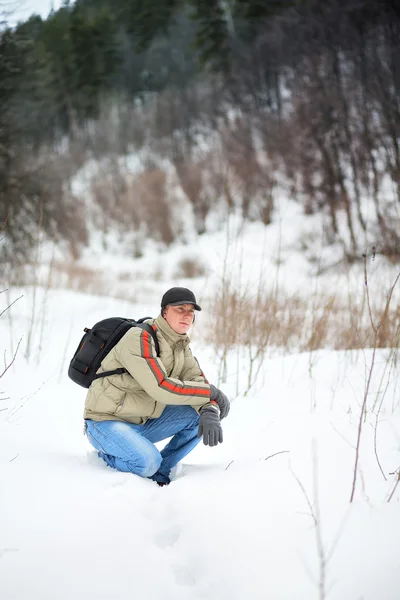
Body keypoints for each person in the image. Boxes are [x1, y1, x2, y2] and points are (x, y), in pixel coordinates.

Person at [84, 287, 230, 486]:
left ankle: (160, 472)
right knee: (146, 461)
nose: (187, 315)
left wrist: (210, 408)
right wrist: (211, 393)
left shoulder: (180, 345)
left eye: (191, 312)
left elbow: (197, 382)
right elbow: (160, 387)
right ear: (164, 312)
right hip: (106, 423)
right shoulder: (140, 338)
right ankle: (107, 458)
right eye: (180, 309)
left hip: (142, 422)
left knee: (199, 416)